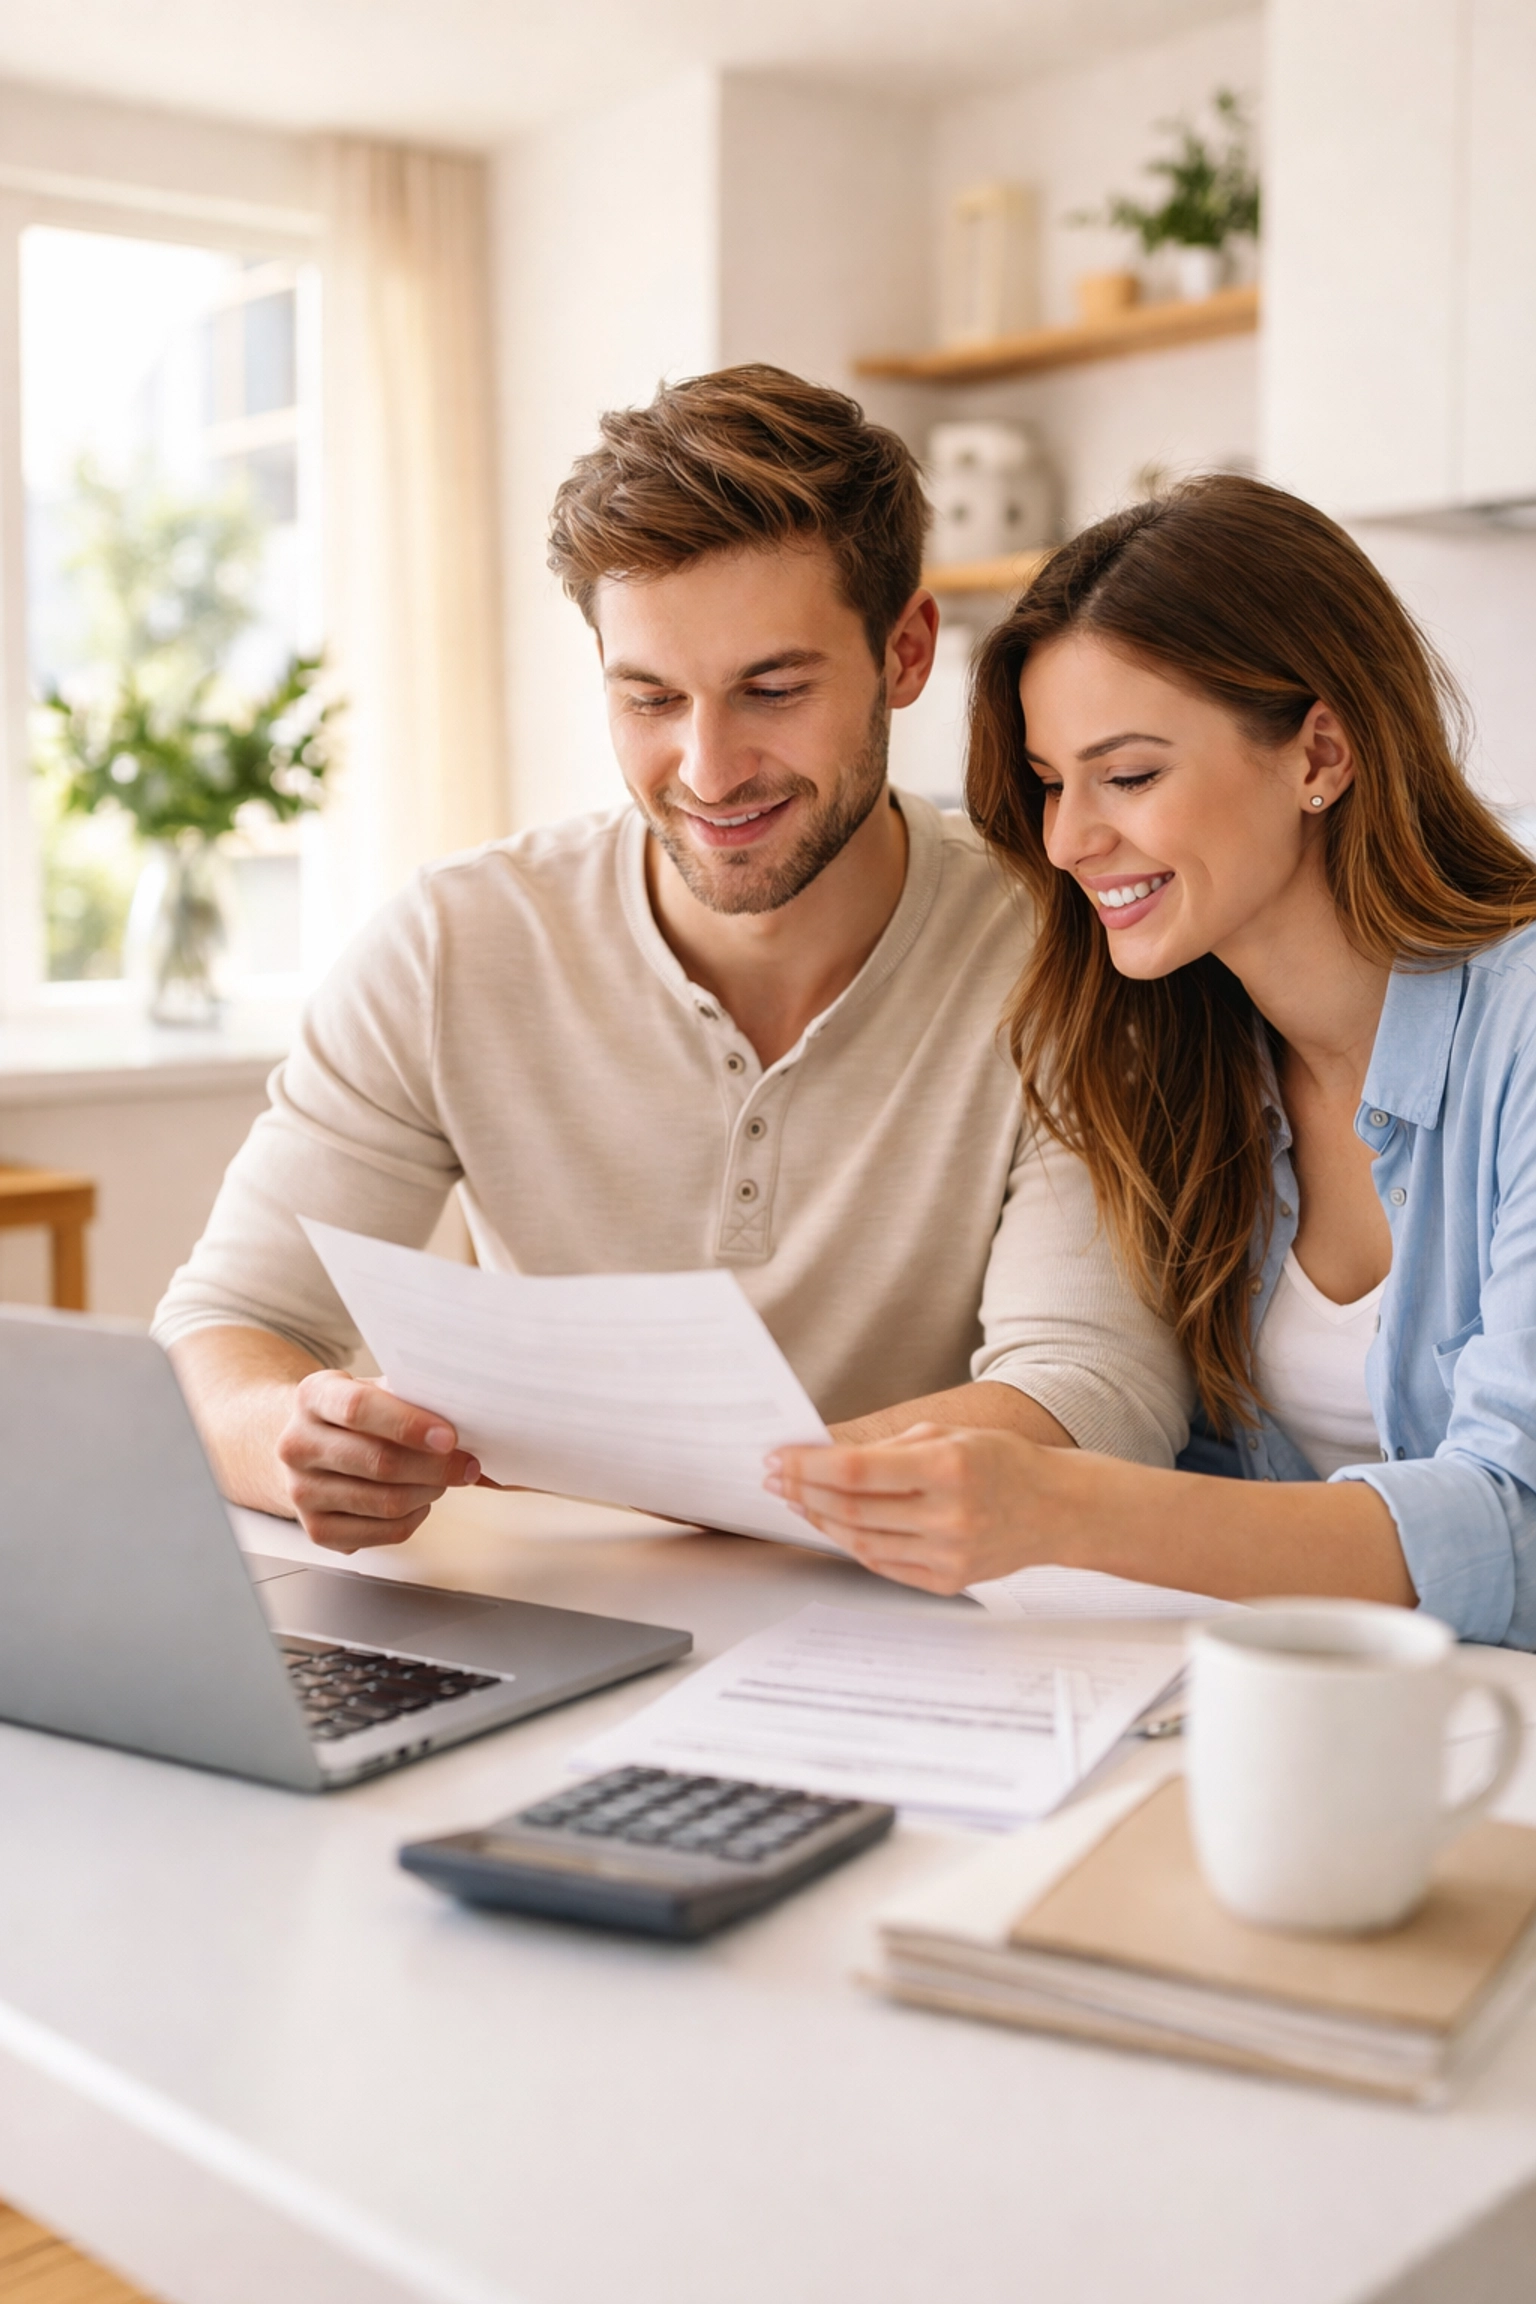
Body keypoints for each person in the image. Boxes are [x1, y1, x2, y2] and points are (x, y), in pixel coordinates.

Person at [155, 363, 1188, 1555]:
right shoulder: (453, 945)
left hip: (908, 1621)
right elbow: (223, 1328)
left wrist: (701, 1488)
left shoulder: (1063, 948)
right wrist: (292, 1441)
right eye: (649, 699)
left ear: (907, 653)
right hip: (555, 1618)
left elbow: (1094, 1397)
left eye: (773, 689)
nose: (708, 770)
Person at [768, 473, 1536, 1648]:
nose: (1070, 840)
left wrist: (1064, 1506)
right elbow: (1219, 1481)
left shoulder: (1518, 1032)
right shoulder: (1176, 1054)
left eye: (1128, 776)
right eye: (1049, 785)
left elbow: (1518, 1521)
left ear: (1321, 751)